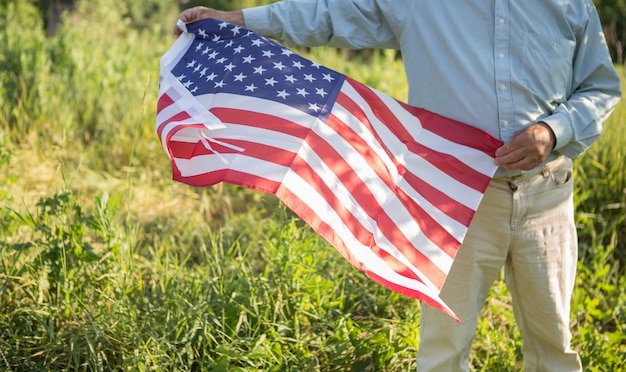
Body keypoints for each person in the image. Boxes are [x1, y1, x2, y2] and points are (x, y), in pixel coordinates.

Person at [174, 2, 621, 370]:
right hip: (455, 200)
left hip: (548, 198)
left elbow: (600, 87)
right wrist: (241, 21)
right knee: (442, 354)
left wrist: (554, 130)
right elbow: (329, 14)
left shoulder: (569, 3)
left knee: (554, 350)